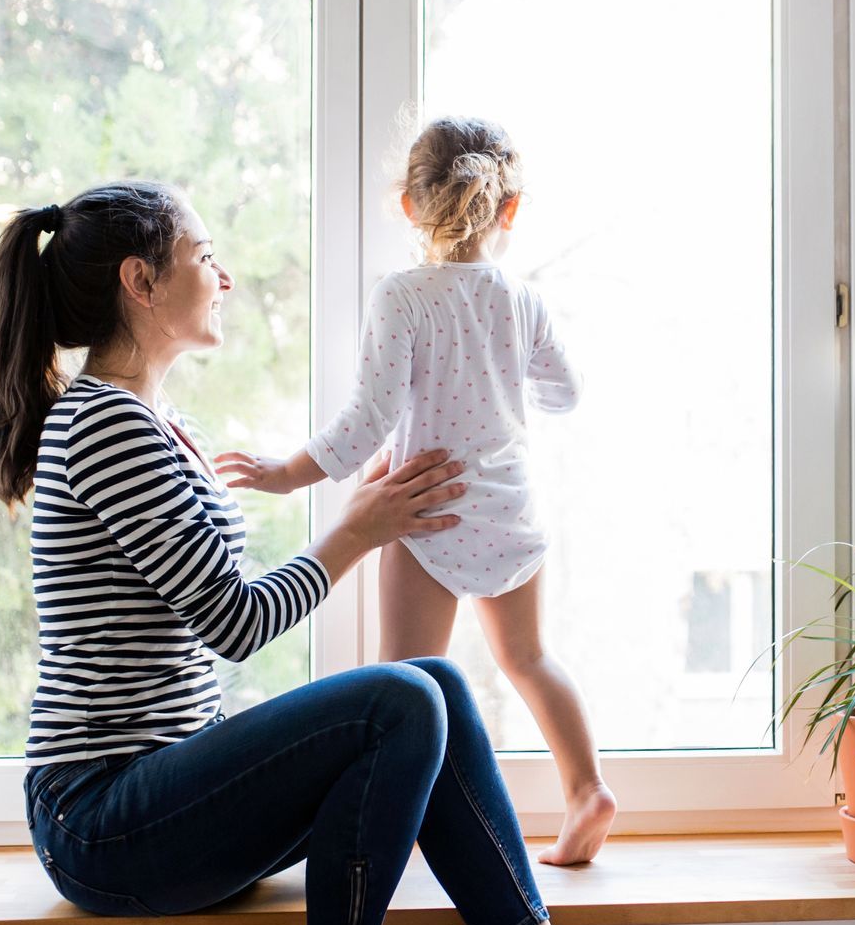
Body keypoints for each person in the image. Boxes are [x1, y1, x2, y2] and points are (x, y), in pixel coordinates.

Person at [0, 180, 710, 925]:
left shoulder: (156, 424)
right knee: (399, 697)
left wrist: (357, 517)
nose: (225, 276)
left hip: (158, 792)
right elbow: (234, 620)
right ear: (141, 282)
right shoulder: (107, 426)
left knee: (432, 683)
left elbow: (204, 604)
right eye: (205, 257)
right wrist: (356, 531)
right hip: (101, 819)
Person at [221, 117, 616, 865]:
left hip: (425, 510)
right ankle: (586, 788)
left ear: (407, 205)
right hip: (509, 508)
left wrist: (283, 474)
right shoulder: (519, 298)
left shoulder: (401, 298)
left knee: (403, 687)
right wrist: (503, 375)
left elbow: (366, 422)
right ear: (511, 209)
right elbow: (566, 392)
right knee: (530, 659)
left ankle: (399, 834)